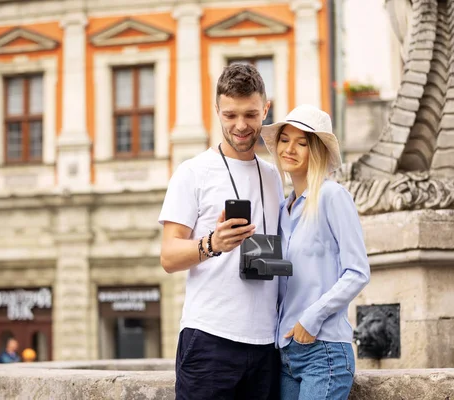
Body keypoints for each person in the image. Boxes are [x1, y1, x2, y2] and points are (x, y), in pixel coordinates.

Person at [158, 63, 284, 399]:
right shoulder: (192, 173)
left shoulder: (274, 176)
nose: (240, 126)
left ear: (266, 109)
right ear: (217, 111)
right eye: (230, 115)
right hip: (209, 341)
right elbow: (168, 256)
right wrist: (212, 243)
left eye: (251, 114)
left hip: (266, 345)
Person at [261, 104, 371, 400]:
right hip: (285, 352)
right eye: (285, 140)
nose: (290, 149)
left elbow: (358, 271)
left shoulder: (332, 196)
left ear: (317, 150)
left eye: (302, 143)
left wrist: (311, 319)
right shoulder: (283, 209)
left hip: (323, 351)